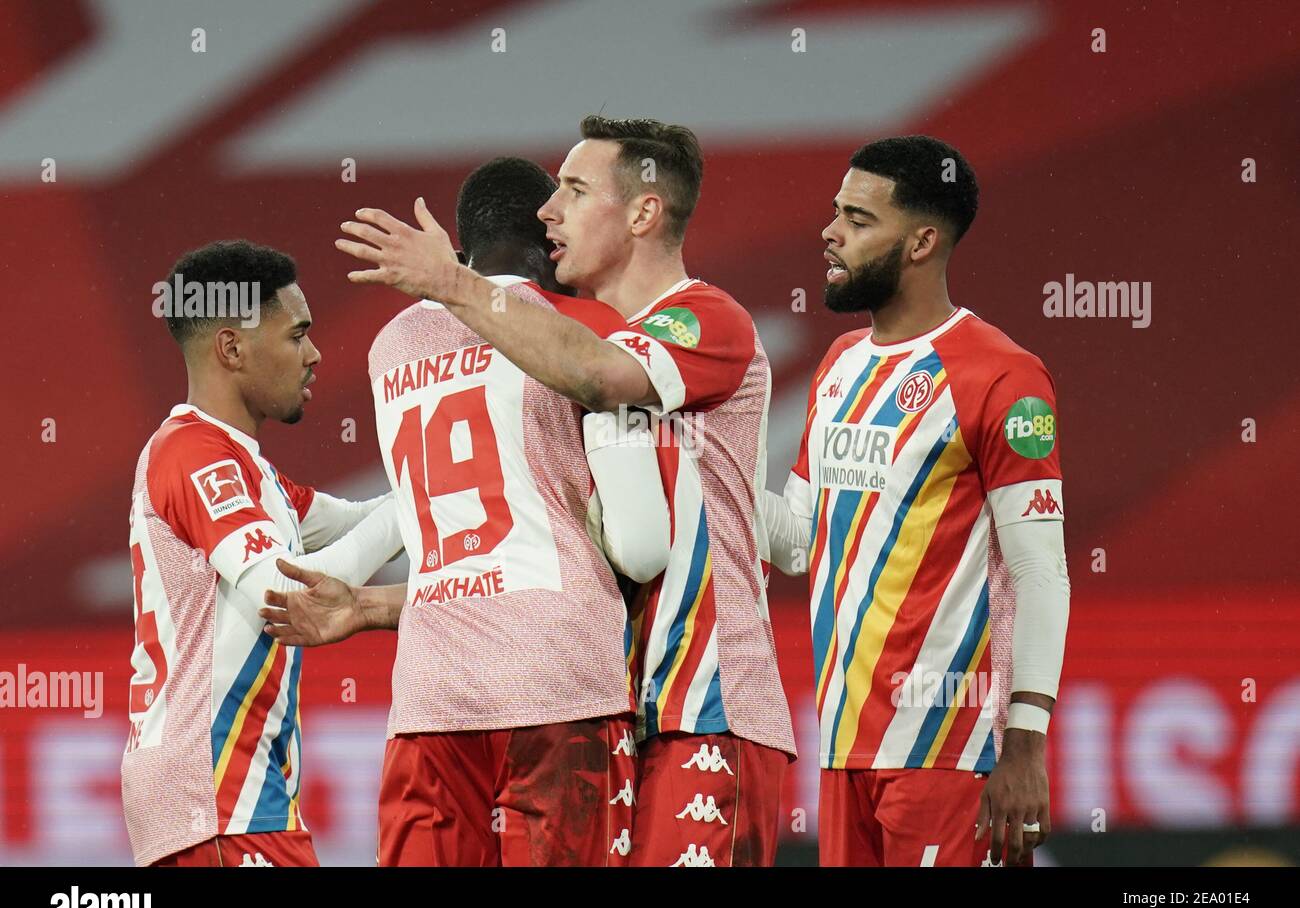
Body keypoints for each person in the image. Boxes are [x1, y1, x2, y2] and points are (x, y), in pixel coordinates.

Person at [331, 117, 795, 867]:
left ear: (642, 213)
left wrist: (451, 283)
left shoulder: (698, 319)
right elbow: (533, 527)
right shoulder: (562, 335)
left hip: (702, 706)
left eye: (574, 191)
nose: (549, 212)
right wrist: (377, 604)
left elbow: (601, 375)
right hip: (604, 701)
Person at [262, 158, 669, 866]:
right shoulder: (585, 327)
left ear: (462, 242)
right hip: (558, 676)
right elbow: (641, 546)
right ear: (549, 234)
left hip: (432, 689)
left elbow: (444, 504)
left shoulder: (391, 346)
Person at [761, 135, 1069, 866]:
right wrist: (707, 453)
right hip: (841, 749)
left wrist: (1025, 747)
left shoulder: (1005, 377)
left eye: (860, 220)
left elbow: (1040, 573)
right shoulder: (838, 367)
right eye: (836, 211)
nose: (830, 232)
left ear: (923, 240)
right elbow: (799, 542)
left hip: (951, 750)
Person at [124, 240, 401, 867]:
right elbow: (297, 592)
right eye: (296, 335)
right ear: (232, 348)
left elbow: (367, 521)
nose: (314, 355)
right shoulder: (193, 456)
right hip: (215, 795)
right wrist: (433, 485)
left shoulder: (249, 471)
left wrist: (449, 478)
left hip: (232, 796)